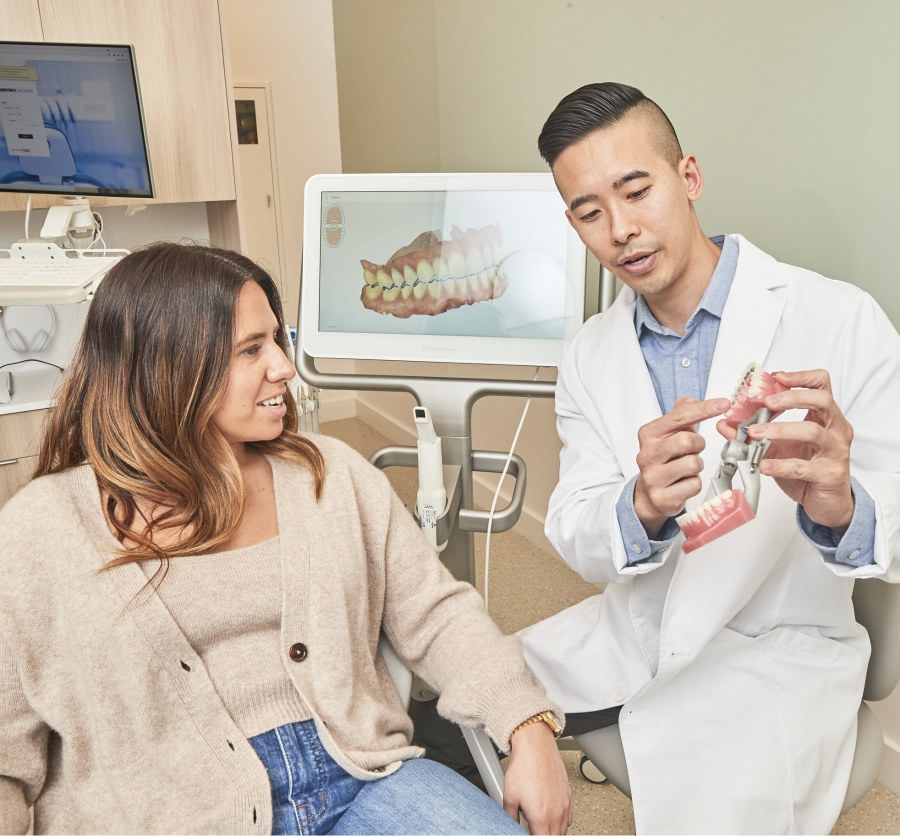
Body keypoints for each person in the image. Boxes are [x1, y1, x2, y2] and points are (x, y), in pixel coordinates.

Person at [0, 242, 573, 835]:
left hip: (361, 778)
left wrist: (527, 726)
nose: (283, 366)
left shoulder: (329, 475)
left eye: (277, 339)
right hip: (175, 814)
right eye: (252, 350)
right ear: (167, 369)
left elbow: (435, 615)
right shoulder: (44, 529)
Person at [516, 82, 900, 834]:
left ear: (688, 178)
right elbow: (572, 526)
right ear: (573, 224)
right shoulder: (590, 357)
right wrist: (639, 506)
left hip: (777, 650)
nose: (622, 229)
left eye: (637, 191)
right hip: (634, 630)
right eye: (591, 212)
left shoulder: (838, 318)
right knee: (458, 692)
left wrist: (846, 506)